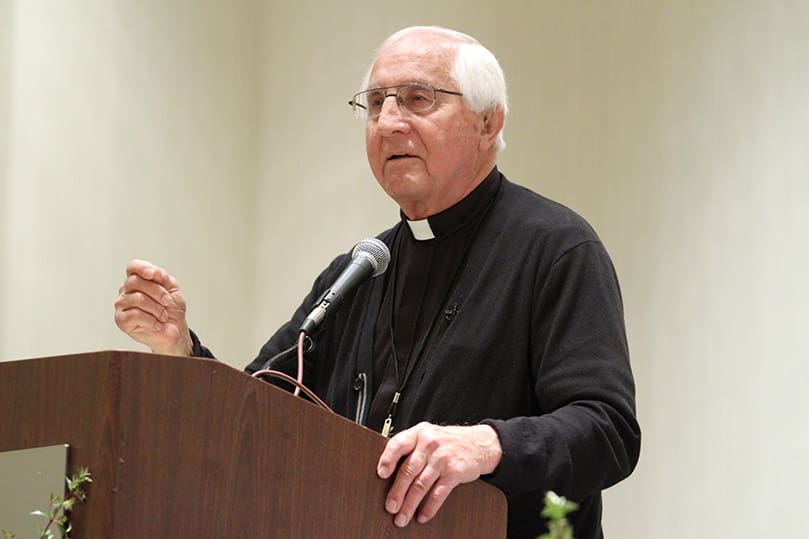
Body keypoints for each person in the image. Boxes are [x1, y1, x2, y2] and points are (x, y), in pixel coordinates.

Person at [114, 26, 640, 539]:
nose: (388, 122)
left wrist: (484, 446)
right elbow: (258, 413)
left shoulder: (556, 249)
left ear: (487, 123)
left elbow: (608, 431)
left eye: (417, 99)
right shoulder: (360, 271)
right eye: (376, 103)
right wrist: (179, 350)